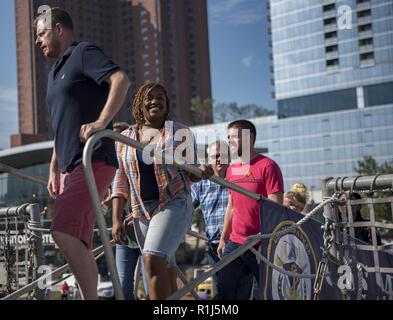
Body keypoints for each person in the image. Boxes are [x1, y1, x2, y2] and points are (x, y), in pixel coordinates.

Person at [34, 8, 131, 300]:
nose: (38, 41)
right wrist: (54, 168)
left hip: (93, 159)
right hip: (68, 167)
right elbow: (61, 125)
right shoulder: (53, 73)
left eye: (41, 33)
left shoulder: (83, 53)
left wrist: (101, 123)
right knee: (79, 240)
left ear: (59, 29)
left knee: (62, 233)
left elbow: (121, 81)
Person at [111, 82, 213, 299]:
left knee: (152, 258)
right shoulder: (125, 138)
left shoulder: (179, 131)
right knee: (165, 265)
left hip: (174, 202)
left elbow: (192, 172)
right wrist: (116, 219)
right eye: (149, 98)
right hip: (141, 211)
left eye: (160, 98)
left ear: (166, 106)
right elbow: (120, 180)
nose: (155, 101)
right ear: (140, 103)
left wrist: (202, 170)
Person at [217, 120, 284, 300]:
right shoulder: (231, 170)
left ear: (250, 138)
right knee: (223, 289)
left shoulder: (268, 166)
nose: (230, 141)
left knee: (269, 294)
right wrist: (224, 238)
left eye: (235, 137)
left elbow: (276, 208)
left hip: (262, 244)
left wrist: (266, 241)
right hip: (236, 243)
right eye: (228, 137)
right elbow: (231, 207)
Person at [110, 122, 145, 300]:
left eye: (119, 139)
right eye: (112, 140)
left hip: (146, 228)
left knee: (152, 283)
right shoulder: (109, 172)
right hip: (125, 234)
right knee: (122, 285)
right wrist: (115, 221)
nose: (115, 144)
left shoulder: (139, 161)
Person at [191, 140, 229, 297]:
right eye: (215, 156)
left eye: (222, 155)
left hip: (238, 244)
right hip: (214, 246)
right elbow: (185, 205)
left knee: (239, 289)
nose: (219, 159)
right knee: (221, 288)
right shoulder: (201, 184)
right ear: (208, 159)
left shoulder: (239, 178)